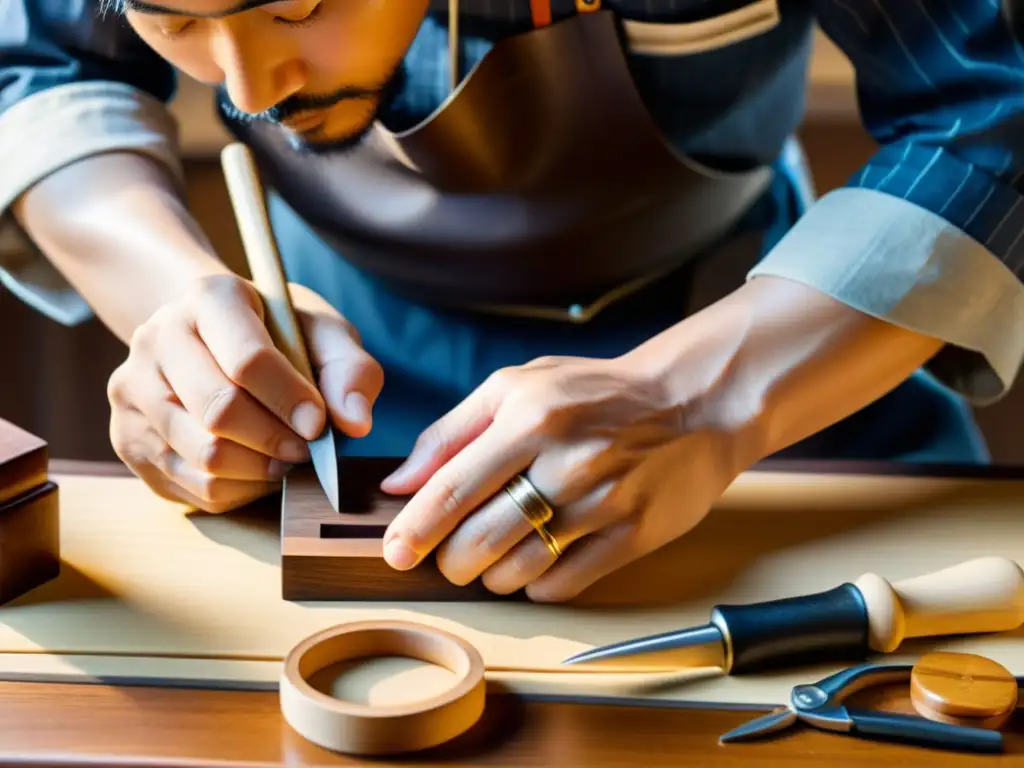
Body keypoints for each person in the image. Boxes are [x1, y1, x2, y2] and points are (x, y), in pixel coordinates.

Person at [0, 0, 1021, 602]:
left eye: (299, 6)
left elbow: (992, 100)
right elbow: (37, 65)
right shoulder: (242, 67)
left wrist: (705, 400)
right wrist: (178, 308)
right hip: (344, 396)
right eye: (171, 18)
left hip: (795, 359)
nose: (250, 89)